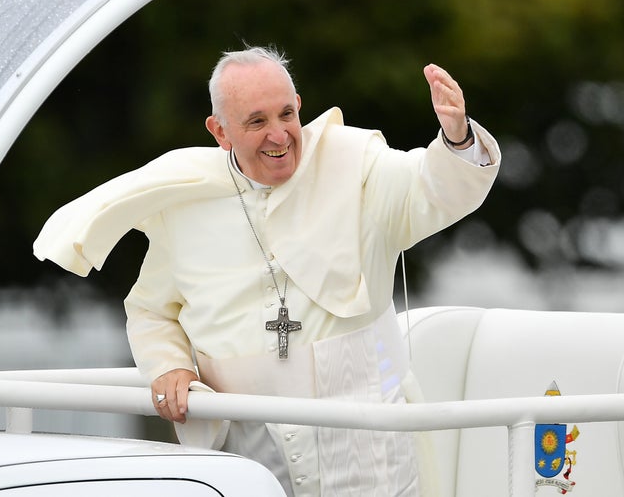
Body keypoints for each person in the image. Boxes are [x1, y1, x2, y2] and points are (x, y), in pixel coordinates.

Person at [33, 45, 500, 496]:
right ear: (220, 131)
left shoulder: (353, 163)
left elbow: (430, 188)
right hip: (247, 448)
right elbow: (152, 310)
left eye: (285, 115)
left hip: (363, 438)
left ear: (299, 106)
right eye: (256, 122)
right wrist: (170, 367)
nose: (279, 136)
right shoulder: (188, 201)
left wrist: (456, 137)